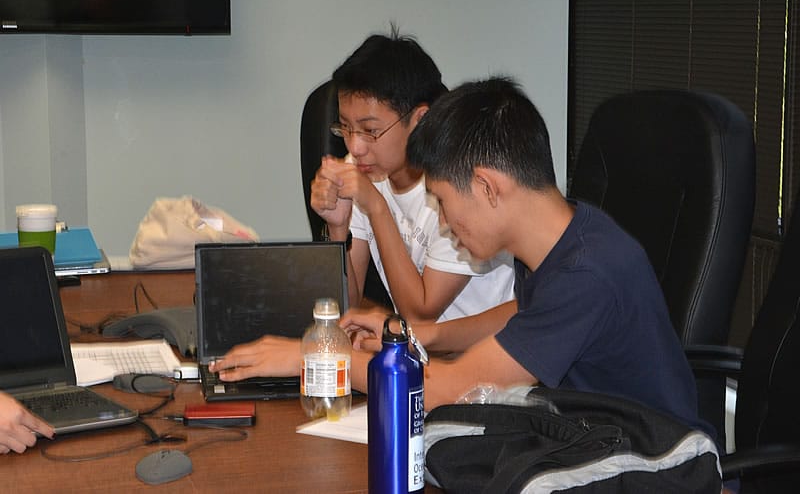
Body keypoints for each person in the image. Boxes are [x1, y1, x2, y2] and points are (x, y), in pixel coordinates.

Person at [213, 77, 708, 437]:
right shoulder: (569, 236)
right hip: (587, 437)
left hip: (653, 465)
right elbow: (530, 313)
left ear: (488, 187)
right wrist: (421, 333)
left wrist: (316, 356)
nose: (444, 223)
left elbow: (445, 388)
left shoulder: (589, 273)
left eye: (444, 202)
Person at [309, 29, 515, 323]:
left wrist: (376, 206)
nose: (355, 146)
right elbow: (345, 310)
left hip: (484, 353)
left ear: (420, 120)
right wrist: (338, 227)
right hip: (420, 350)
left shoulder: (460, 184)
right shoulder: (361, 167)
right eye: (345, 128)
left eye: (370, 130)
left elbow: (420, 314)